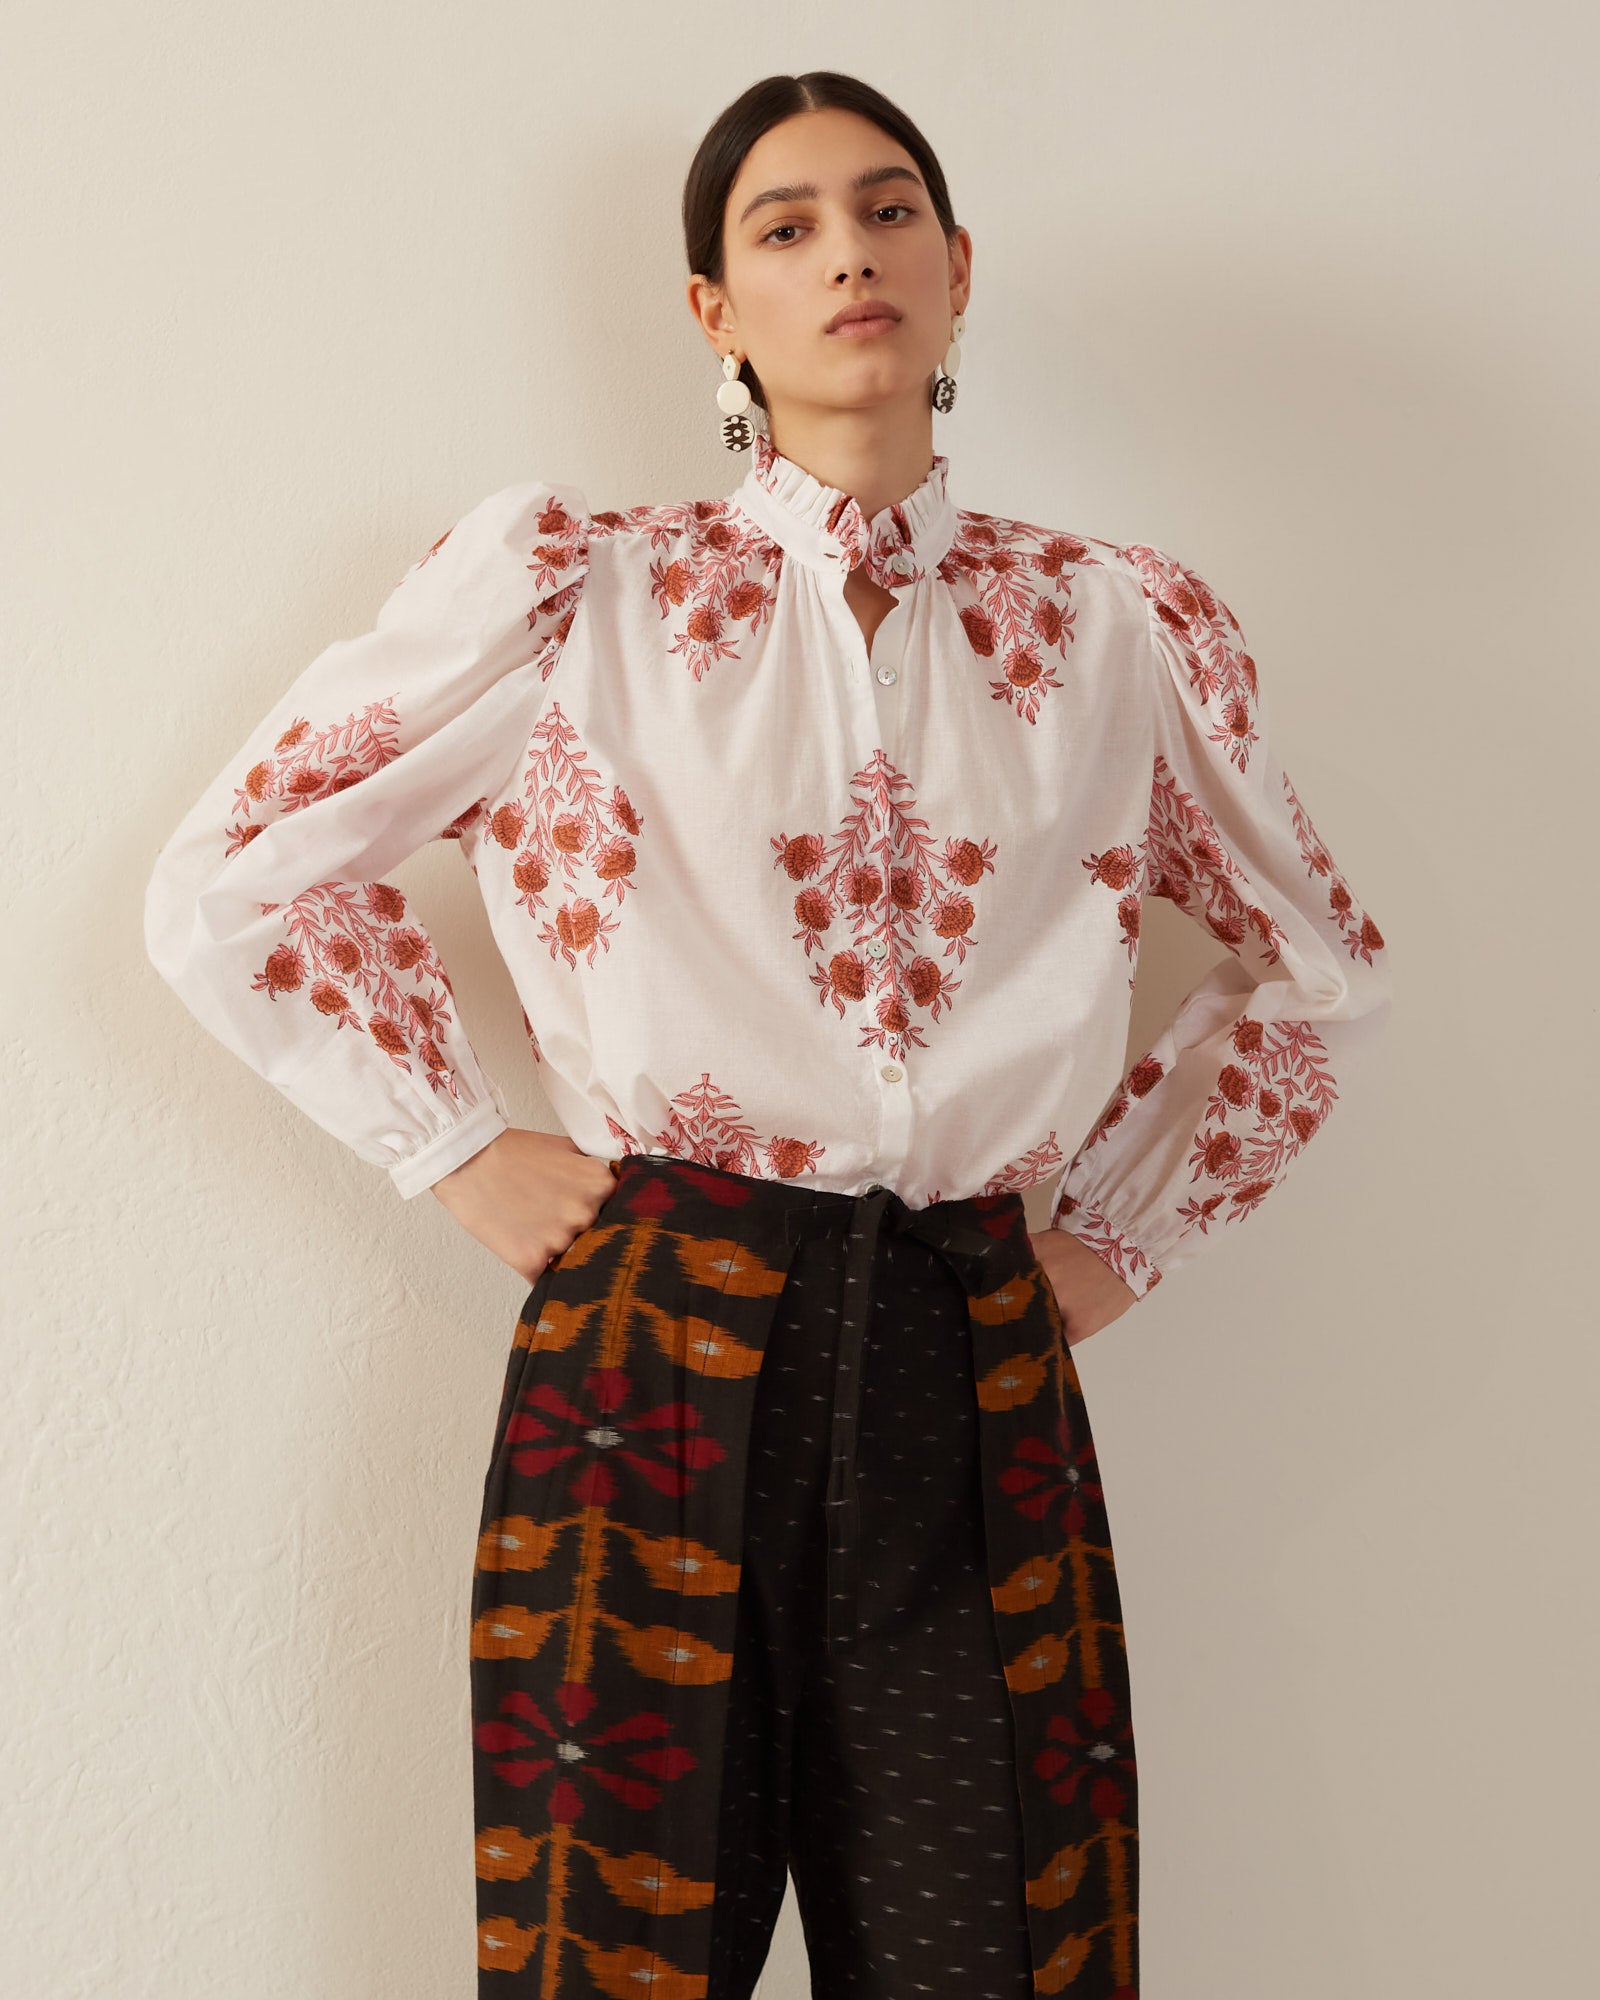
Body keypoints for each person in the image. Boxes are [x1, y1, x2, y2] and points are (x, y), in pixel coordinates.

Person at [143, 69, 1392, 2000]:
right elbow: (239, 868)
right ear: (716, 312)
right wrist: (455, 1143)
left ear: (959, 269)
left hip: (983, 1354)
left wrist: (1119, 1237)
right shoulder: (583, 597)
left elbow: (1317, 964)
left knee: (1013, 1960)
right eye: (785, 229)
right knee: (610, 1973)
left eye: (890, 213)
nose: (851, 258)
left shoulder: (1114, 630)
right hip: (653, 1345)